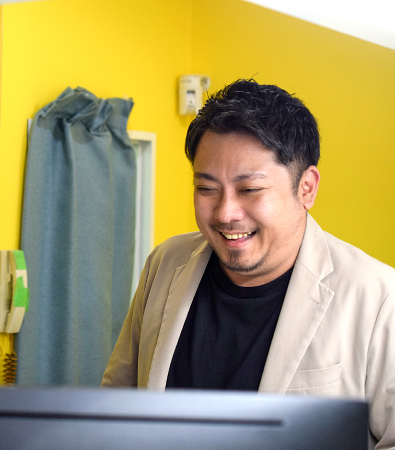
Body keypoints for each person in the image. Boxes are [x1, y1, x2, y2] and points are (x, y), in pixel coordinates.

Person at [102, 79, 395, 448]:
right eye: (206, 189)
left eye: (250, 190)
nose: (226, 213)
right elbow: (117, 403)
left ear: (306, 188)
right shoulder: (165, 263)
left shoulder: (379, 297)